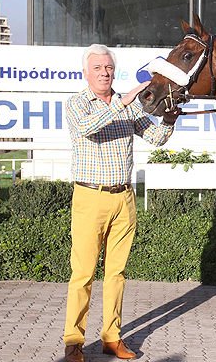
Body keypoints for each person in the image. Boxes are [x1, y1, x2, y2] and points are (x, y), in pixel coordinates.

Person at [63, 44, 180, 362]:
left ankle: (111, 338)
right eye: (98, 67)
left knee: (116, 273)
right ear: (85, 72)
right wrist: (123, 102)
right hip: (90, 196)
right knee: (83, 273)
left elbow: (155, 139)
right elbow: (87, 129)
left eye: (108, 67)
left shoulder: (126, 107)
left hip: (123, 199)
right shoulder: (76, 104)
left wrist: (168, 121)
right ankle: (74, 341)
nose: (104, 72)